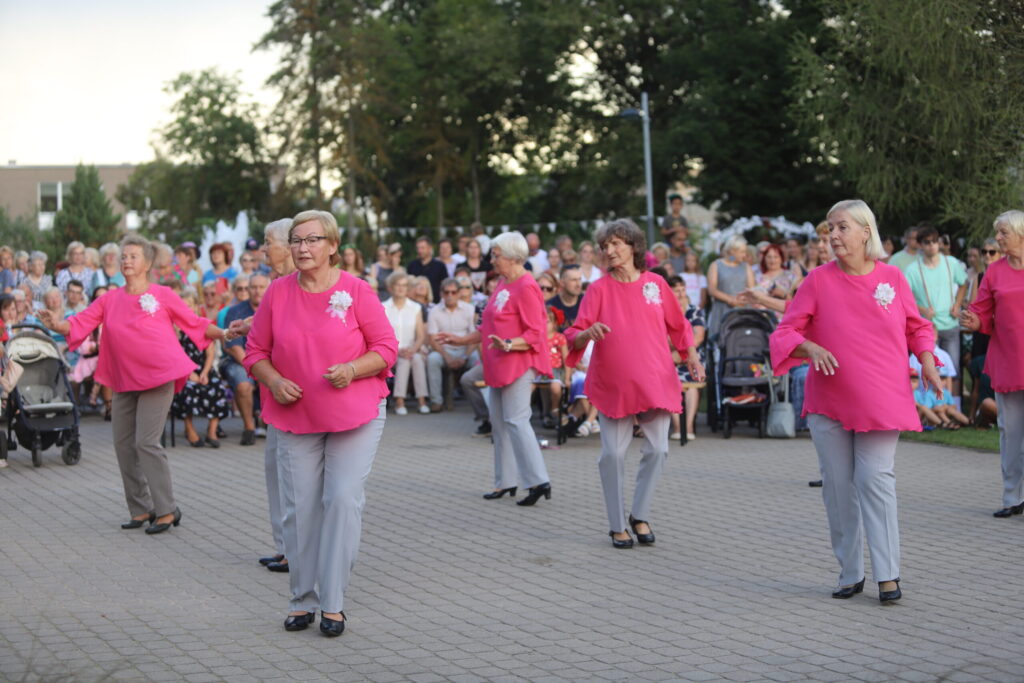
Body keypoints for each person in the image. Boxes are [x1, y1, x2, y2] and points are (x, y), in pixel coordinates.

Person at [770, 199, 941, 603]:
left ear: (866, 232)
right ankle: (850, 572)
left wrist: (929, 361)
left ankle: (888, 573)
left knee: (874, 479)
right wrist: (809, 347)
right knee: (837, 488)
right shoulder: (817, 280)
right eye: (830, 228)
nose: (833, 235)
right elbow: (785, 332)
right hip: (829, 400)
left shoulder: (893, 279)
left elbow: (917, 327)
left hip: (882, 398)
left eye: (842, 227)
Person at [244, 209, 397, 637]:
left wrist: (352, 369)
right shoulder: (277, 293)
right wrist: (273, 381)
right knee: (301, 510)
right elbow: (255, 352)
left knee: (343, 500)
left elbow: (386, 348)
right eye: (296, 240)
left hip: (355, 413)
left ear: (333, 246)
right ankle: (302, 600)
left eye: (312, 240)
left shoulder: (357, 290)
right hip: (296, 415)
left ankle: (333, 602)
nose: (303, 248)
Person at [38, 233, 230, 534]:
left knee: (146, 442)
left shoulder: (162, 294)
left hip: (159, 376)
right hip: (124, 379)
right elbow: (79, 324)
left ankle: (166, 510)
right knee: (123, 444)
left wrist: (226, 333)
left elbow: (194, 322)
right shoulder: (109, 299)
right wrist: (56, 324)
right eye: (124, 256)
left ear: (148, 263)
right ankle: (141, 509)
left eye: (133, 256)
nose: (126, 260)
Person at [564, 219, 704, 549]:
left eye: (615, 244)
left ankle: (639, 514)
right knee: (612, 454)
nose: (609, 251)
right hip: (614, 386)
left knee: (658, 449)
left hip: (656, 380)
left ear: (632, 246)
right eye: (605, 246)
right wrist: (587, 334)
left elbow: (679, 326)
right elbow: (573, 334)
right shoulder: (598, 289)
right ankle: (617, 525)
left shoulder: (656, 283)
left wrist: (692, 357)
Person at [437, 231, 553, 505]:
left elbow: (536, 333)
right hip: (498, 362)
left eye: (496, 255)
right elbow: (489, 327)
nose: (492, 260)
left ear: (513, 257)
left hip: (518, 362)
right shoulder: (503, 283)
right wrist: (461, 339)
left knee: (516, 420)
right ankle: (506, 482)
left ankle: (538, 481)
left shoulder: (527, 286)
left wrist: (510, 344)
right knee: (500, 425)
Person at [961, 210, 1024, 518]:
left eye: (1003, 233)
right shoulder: (994, 272)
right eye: (997, 233)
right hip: (1008, 359)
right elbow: (981, 313)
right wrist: (974, 321)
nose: (998, 238)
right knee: (1010, 431)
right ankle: (1012, 497)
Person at [904, 225, 967, 389]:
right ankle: (929, 407)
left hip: (950, 323)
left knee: (952, 369)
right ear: (920, 245)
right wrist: (922, 310)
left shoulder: (951, 263)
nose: (931, 245)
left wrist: (957, 304)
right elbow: (904, 299)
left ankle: (955, 408)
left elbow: (963, 284)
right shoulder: (912, 270)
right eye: (927, 242)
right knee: (926, 368)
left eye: (934, 241)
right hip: (926, 327)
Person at [172, 288, 231, 448]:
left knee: (217, 387)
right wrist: (189, 373)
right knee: (188, 390)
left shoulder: (202, 325)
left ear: (196, 307)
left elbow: (210, 353)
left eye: (190, 306)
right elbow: (174, 354)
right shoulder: (175, 329)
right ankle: (189, 428)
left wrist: (205, 373)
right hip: (183, 371)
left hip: (203, 368)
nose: (187, 310)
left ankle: (212, 431)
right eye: (183, 306)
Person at [221, 274, 270, 445]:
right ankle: (249, 427)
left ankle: (267, 423)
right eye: (253, 287)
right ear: (248, 289)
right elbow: (234, 347)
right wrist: (256, 369)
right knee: (243, 385)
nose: (257, 291)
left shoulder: (273, 308)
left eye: (261, 287)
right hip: (239, 360)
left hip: (269, 361)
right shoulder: (235, 311)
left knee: (273, 379)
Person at [426, 278, 478, 412]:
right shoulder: (435, 311)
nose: (450, 295)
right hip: (443, 351)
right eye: (447, 292)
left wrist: (465, 357)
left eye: (453, 292)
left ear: (459, 293)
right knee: (432, 359)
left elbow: (476, 337)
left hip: (466, 349)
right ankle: (436, 401)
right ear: (441, 293)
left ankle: (479, 403)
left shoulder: (470, 309)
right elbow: (432, 339)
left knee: (477, 360)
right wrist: (447, 357)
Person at [383, 272, 429, 415]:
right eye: (398, 285)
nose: (401, 288)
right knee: (404, 361)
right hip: (390, 351)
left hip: (411, 350)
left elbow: (421, 336)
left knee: (415, 359)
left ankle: (421, 400)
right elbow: (382, 335)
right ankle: (399, 401)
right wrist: (397, 350)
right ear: (391, 288)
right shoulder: (383, 307)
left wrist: (413, 349)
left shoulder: (415, 307)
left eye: (404, 285)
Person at [667, 275, 706, 440]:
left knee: (691, 386)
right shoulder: (663, 312)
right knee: (668, 384)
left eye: (683, 290)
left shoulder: (693, 310)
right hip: (669, 358)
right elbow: (661, 338)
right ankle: (677, 427)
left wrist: (681, 353)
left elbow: (698, 337)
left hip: (690, 358)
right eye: (676, 291)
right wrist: (678, 349)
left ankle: (688, 426)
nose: (681, 294)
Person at [706, 235, 755, 337]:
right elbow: (712, 289)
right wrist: (730, 300)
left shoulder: (746, 267)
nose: (745, 255)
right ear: (732, 251)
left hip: (742, 309)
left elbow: (752, 289)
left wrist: (742, 300)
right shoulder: (716, 265)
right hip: (722, 310)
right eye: (742, 252)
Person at [406, 237, 447, 303]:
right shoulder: (412, 265)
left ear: (430, 248)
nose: (420, 251)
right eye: (418, 248)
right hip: (414, 303)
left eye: (422, 248)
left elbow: (444, 286)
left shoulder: (440, 266)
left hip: (435, 303)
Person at [547, 266, 583, 331]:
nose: (578, 284)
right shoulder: (551, 305)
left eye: (580, 279)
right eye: (574, 280)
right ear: (562, 283)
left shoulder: (586, 302)